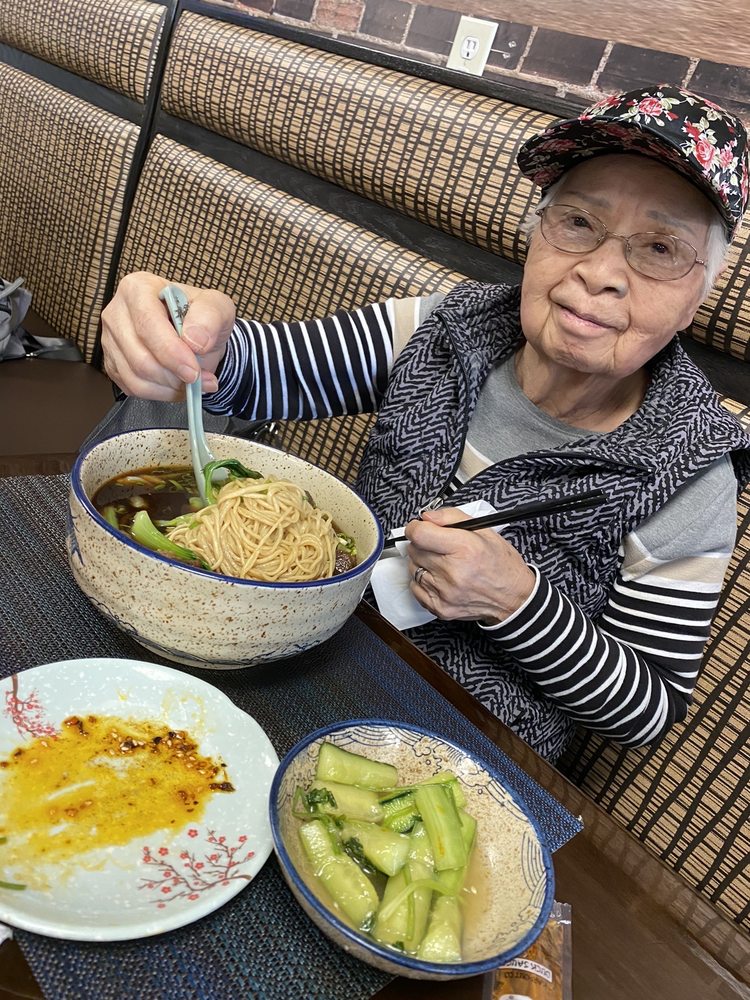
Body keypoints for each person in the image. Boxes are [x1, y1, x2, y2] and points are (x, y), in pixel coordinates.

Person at [101, 84, 750, 762]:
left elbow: (644, 711)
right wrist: (186, 336)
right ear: (536, 236)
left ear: (699, 294)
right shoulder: (446, 328)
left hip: (458, 760)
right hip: (303, 650)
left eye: (660, 250)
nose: (601, 273)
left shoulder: (688, 468)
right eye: (579, 223)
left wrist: (517, 604)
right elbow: (259, 370)